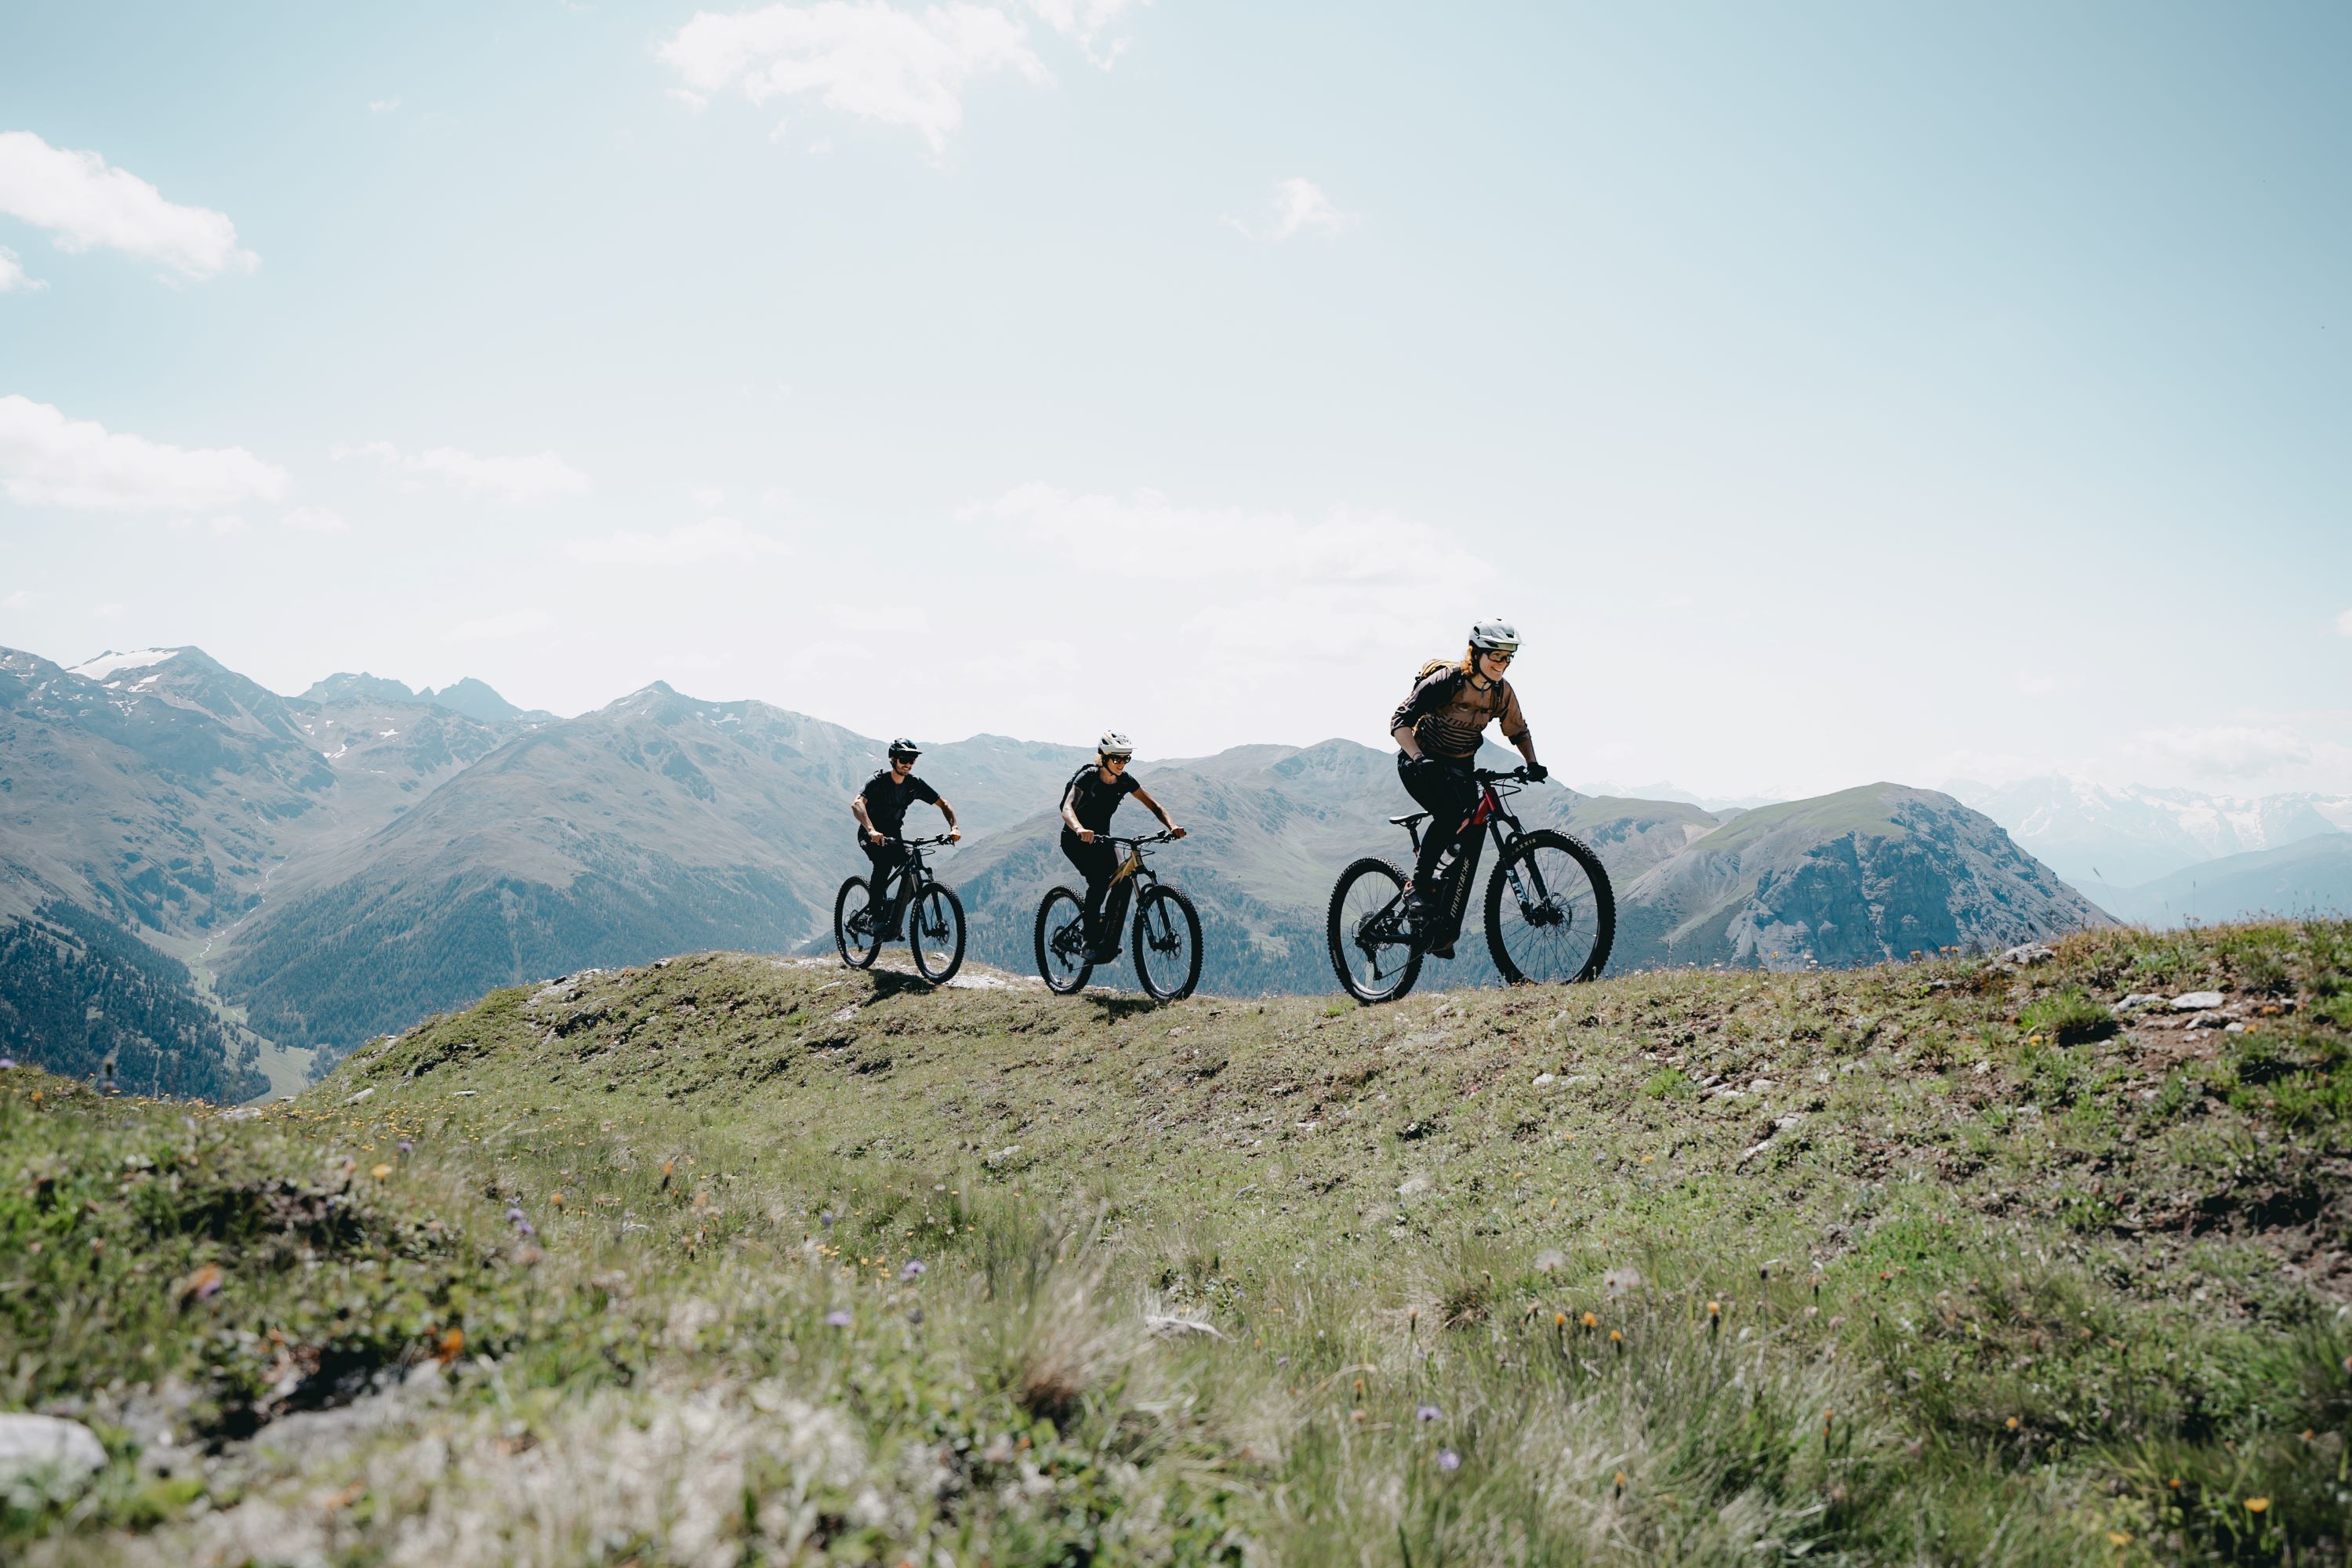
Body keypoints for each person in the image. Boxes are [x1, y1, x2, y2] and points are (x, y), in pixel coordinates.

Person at [1388, 619, 1546, 956]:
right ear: (1476, 654)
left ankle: (1439, 927)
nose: (1502, 664)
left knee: (1470, 837)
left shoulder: (1501, 692)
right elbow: (1399, 721)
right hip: (1420, 762)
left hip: (1461, 768)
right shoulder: (1447, 682)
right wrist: (1419, 758)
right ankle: (1417, 888)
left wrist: (1532, 763)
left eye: (1508, 657)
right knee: (1448, 815)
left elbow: (1518, 730)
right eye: (1496, 656)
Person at [1059, 731, 1185, 963]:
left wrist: (1172, 825)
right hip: (1076, 840)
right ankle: (1089, 940)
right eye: (1117, 758)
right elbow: (1068, 808)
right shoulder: (1088, 777)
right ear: (1104, 757)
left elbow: (1155, 806)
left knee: (1124, 878)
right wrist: (1079, 829)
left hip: (1102, 840)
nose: (1122, 763)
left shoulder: (1125, 781)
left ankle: (1107, 938)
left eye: (1126, 758)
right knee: (1099, 881)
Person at [850, 739, 960, 938]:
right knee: (883, 864)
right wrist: (872, 830)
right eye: (904, 759)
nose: (908, 764)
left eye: (912, 760)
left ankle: (892, 914)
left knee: (913, 871)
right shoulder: (878, 781)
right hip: (869, 834)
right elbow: (857, 804)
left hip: (894, 836)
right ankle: (874, 916)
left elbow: (943, 804)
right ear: (893, 759)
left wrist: (954, 827)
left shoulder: (913, 784)